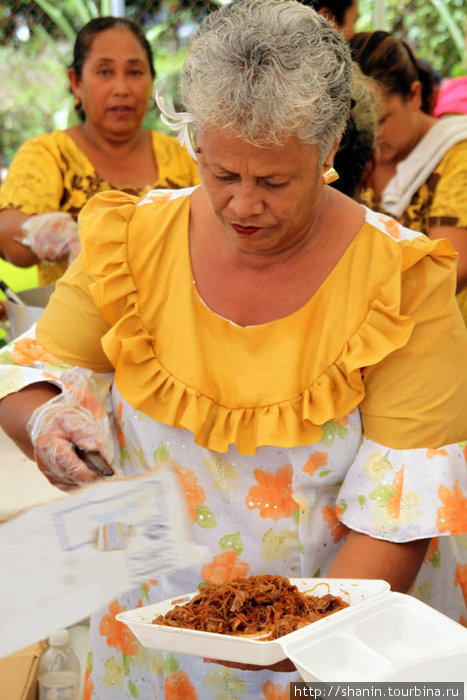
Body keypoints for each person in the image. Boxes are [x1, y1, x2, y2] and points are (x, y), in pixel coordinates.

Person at [1, 1, 467, 696]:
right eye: (221, 173)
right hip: (151, 636)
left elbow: (402, 514)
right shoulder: (131, 242)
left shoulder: (400, 281)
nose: (243, 205)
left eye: (274, 181)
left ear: (329, 146)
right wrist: (44, 419)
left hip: (344, 635)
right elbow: (30, 372)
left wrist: (301, 634)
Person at [0, 16, 199, 286]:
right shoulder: (49, 154)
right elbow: (7, 234)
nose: (122, 89)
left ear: (151, 81)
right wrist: (44, 232)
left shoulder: (184, 156)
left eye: (135, 72)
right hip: (75, 326)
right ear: (76, 82)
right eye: (105, 72)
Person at [349, 30, 467, 324]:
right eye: (362, 125)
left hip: (436, 330)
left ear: (414, 95)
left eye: (382, 120)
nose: (374, 136)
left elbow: (452, 268)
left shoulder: (456, 154)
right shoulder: (357, 152)